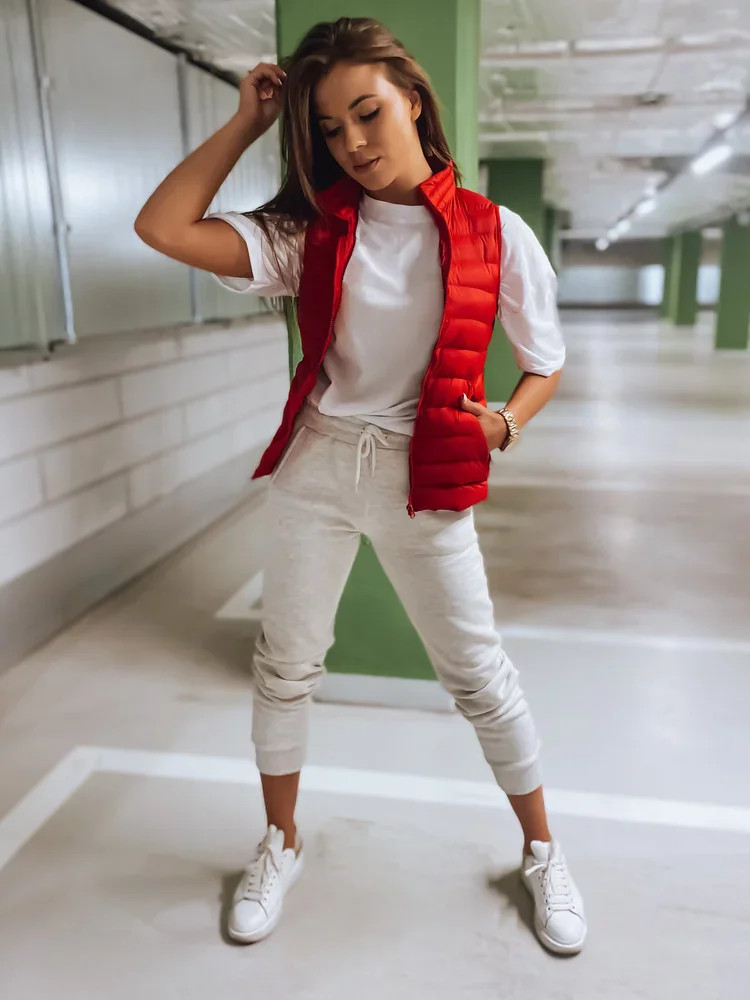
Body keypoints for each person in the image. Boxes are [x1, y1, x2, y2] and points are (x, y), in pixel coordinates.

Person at [134, 16, 586, 956]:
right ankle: (280, 842)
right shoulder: (311, 233)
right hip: (319, 466)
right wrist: (249, 124)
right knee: (285, 665)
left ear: (413, 99)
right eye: (331, 128)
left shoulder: (495, 232)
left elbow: (545, 362)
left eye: (368, 113)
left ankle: (543, 852)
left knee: (478, 674)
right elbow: (162, 227)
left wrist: (505, 422)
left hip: (425, 475)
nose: (353, 142)